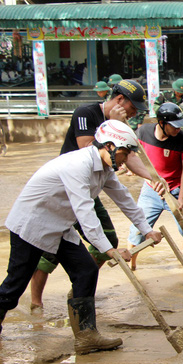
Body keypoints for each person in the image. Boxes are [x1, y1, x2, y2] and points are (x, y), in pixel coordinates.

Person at [0, 120, 162, 354]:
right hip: (31, 225)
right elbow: (85, 212)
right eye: (124, 155)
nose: (125, 161)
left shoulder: (106, 167)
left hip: (59, 225)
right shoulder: (78, 165)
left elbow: (124, 198)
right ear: (109, 146)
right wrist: (110, 250)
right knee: (15, 285)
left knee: (86, 270)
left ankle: (86, 336)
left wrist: (146, 229)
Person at [29, 79, 153, 312]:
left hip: (92, 186)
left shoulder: (119, 130)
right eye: (132, 108)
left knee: (107, 240)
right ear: (118, 100)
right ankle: (36, 301)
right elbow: (88, 148)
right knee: (50, 249)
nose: (134, 113)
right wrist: (114, 124)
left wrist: (151, 178)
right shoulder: (85, 113)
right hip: (67, 190)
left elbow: (128, 156)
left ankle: (80, 288)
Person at [128, 103, 183, 270]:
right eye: (174, 126)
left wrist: (181, 197)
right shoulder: (143, 133)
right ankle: (132, 267)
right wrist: (150, 180)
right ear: (161, 123)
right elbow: (132, 158)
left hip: (175, 190)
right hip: (151, 189)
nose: (178, 130)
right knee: (138, 231)